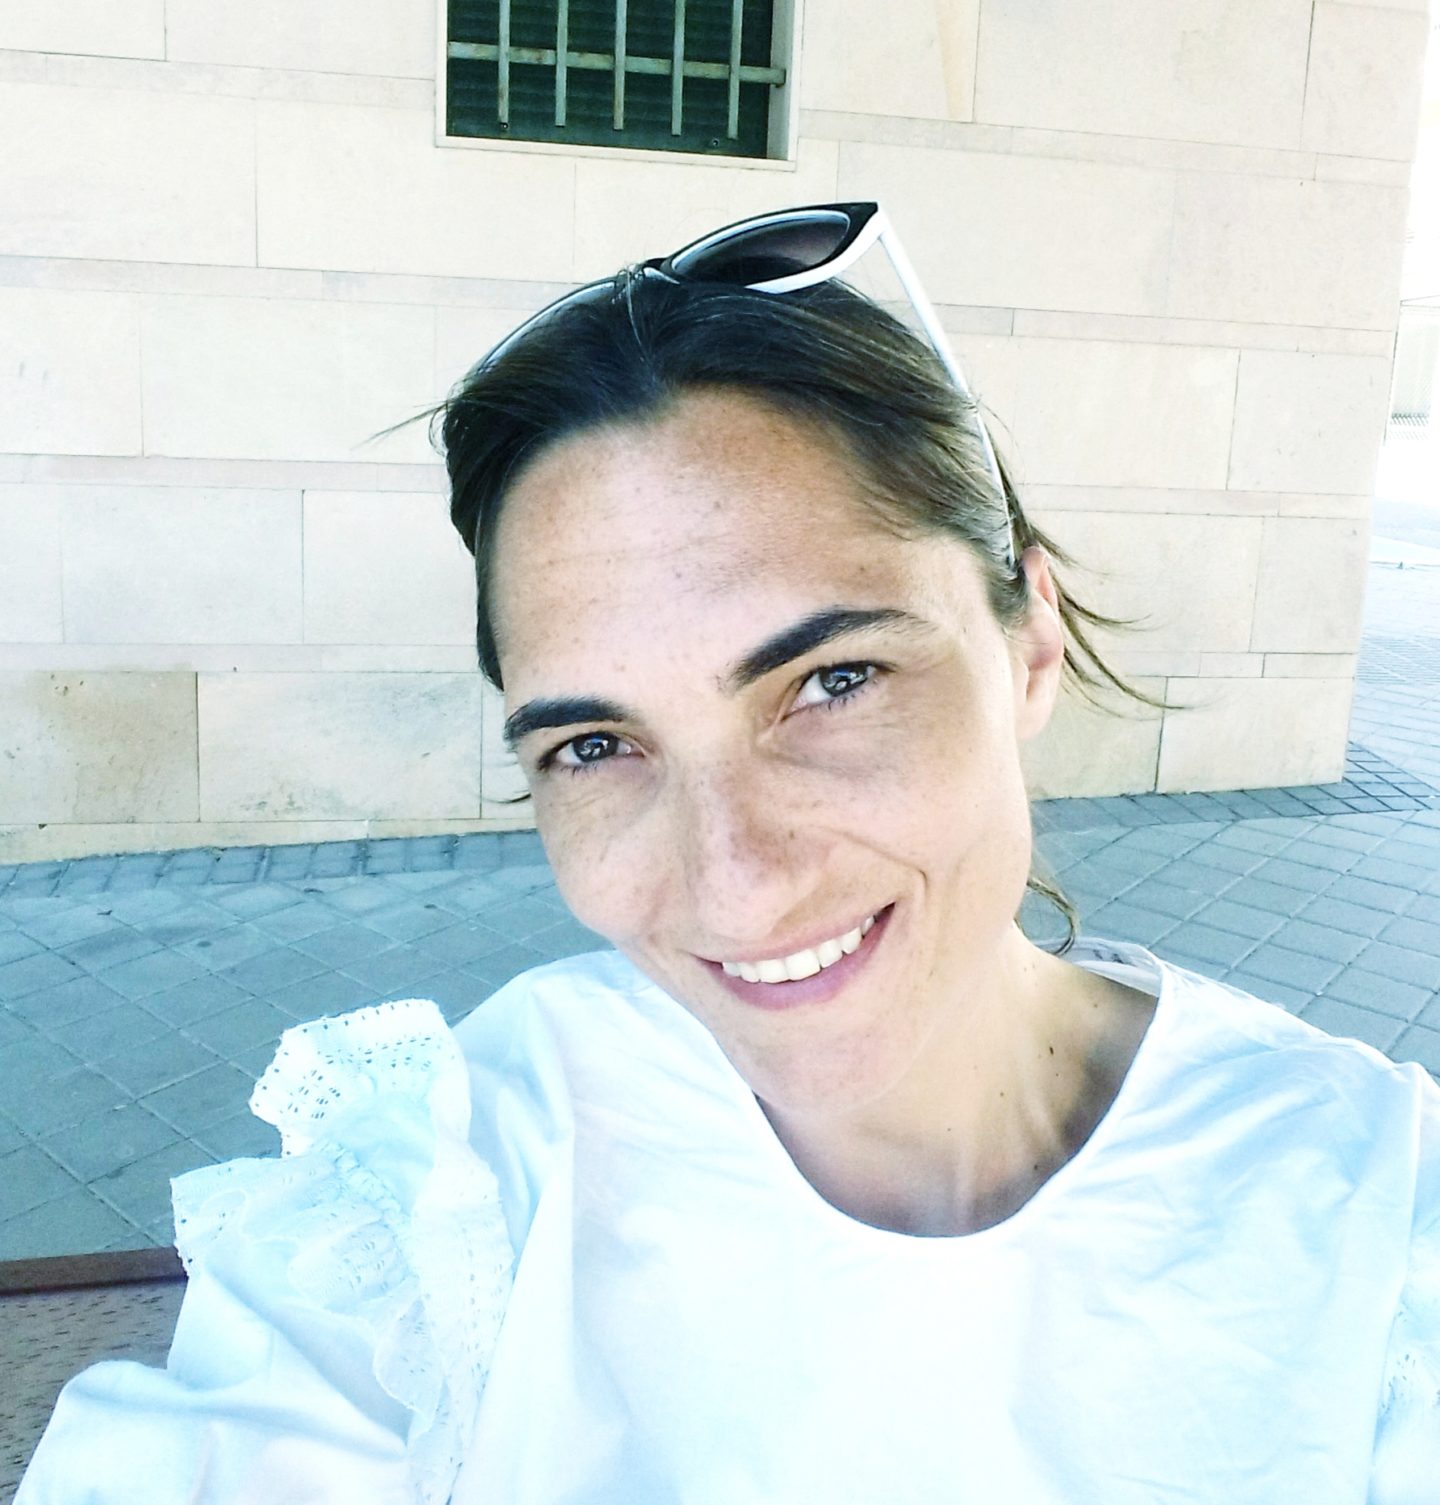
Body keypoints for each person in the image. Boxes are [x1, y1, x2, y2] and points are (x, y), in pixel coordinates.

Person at [18, 204, 1440, 1503]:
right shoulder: (456, 1190)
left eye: (832, 681)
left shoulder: (1376, 1227)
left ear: (1030, 640)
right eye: (596, 745)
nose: (736, 881)